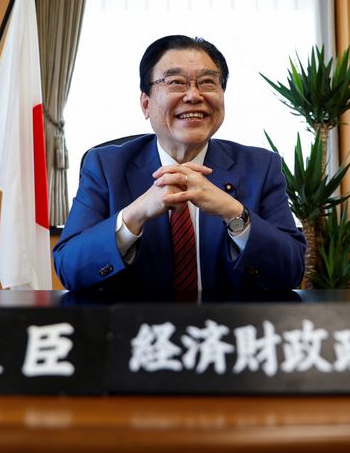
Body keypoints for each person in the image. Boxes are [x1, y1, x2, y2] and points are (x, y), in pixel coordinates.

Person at [53, 35, 305, 293]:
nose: (194, 95)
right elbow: (70, 269)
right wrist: (134, 214)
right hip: (136, 330)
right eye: (175, 82)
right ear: (146, 104)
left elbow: (291, 272)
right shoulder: (106, 166)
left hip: (227, 329)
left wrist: (234, 213)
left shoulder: (260, 167)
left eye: (208, 82)